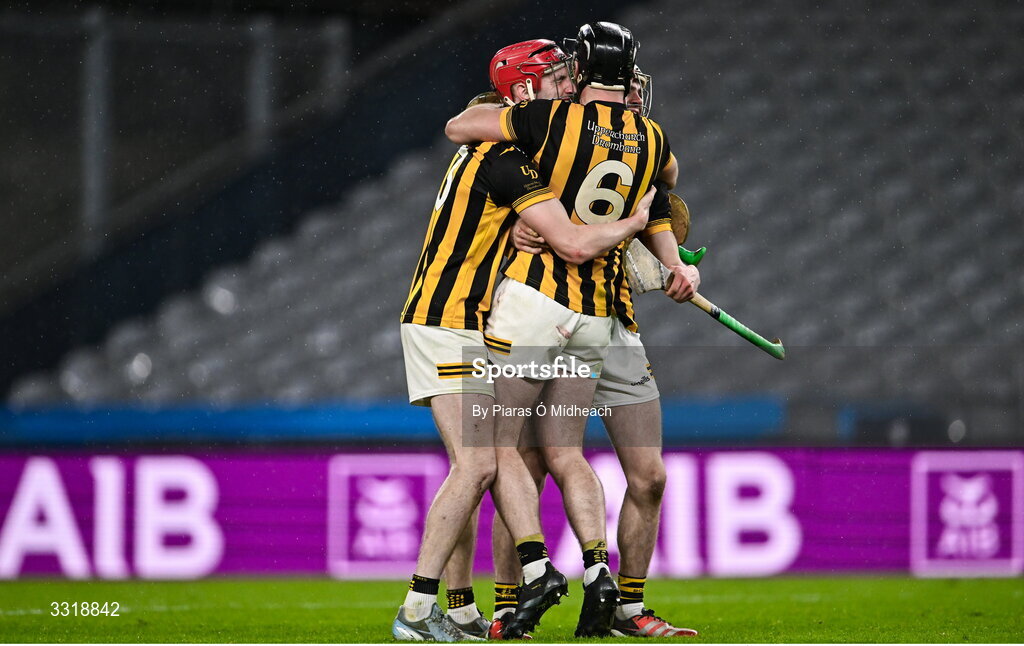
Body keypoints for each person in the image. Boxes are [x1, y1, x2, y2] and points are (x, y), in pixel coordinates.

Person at [393, 37, 656, 642]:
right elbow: (574, 243)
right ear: (522, 92)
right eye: (557, 78)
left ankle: (472, 603)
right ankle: (417, 609)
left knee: (486, 462)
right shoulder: (503, 157)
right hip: (447, 320)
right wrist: (636, 223)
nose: (569, 86)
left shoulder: (503, 152)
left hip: (465, 322)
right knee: (476, 464)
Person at [445, 21, 696, 639]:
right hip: (548, 304)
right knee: (525, 461)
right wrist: (515, 227)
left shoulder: (616, 135)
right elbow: (481, 178)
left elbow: (664, 195)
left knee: (648, 475)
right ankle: (513, 603)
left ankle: (625, 607)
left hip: (610, 320)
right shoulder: (550, 125)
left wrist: (672, 265)